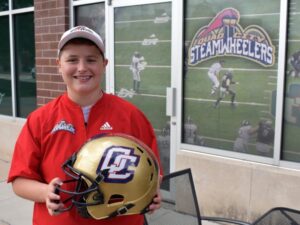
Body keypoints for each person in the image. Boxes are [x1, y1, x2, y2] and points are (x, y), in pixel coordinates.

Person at [7, 26, 162, 225]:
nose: (82, 68)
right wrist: (45, 192)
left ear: (104, 64)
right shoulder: (40, 119)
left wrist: (150, 192)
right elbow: (19, 181)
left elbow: (153, 172)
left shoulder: (131, 116)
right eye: (72, 60)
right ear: (59, 65)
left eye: (91, 59)